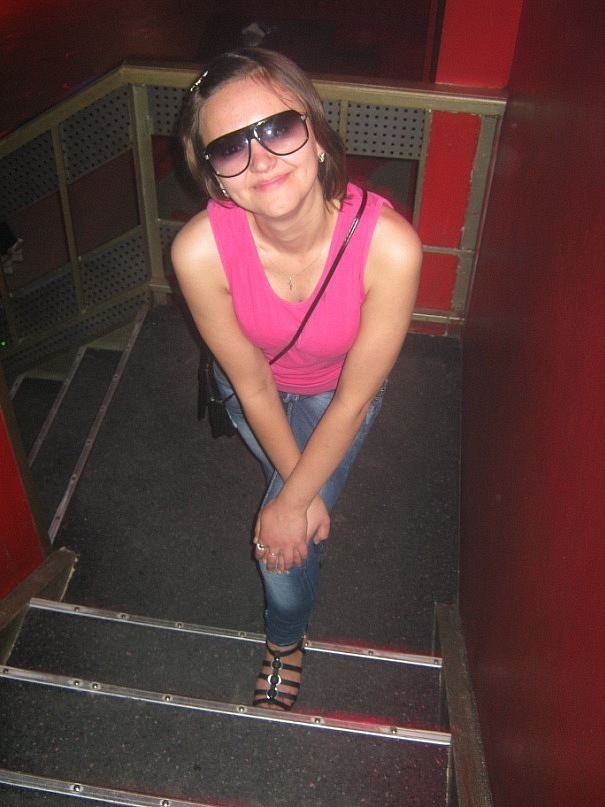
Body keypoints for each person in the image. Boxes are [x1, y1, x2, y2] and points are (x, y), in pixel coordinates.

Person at [171, 48, 422, 711]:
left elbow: (354, 399)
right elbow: (251, 382)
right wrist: (298, 495)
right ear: (214, 176)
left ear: (315, 134)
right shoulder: (198, 251)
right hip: (249, 391)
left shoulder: (390, 247)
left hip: (337, 397)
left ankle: (282, 641)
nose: (260, 160)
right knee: (292, 511)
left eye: (277, 128)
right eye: (230, 147)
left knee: (278, 547)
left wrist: (288, 505)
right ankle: (290, 619)